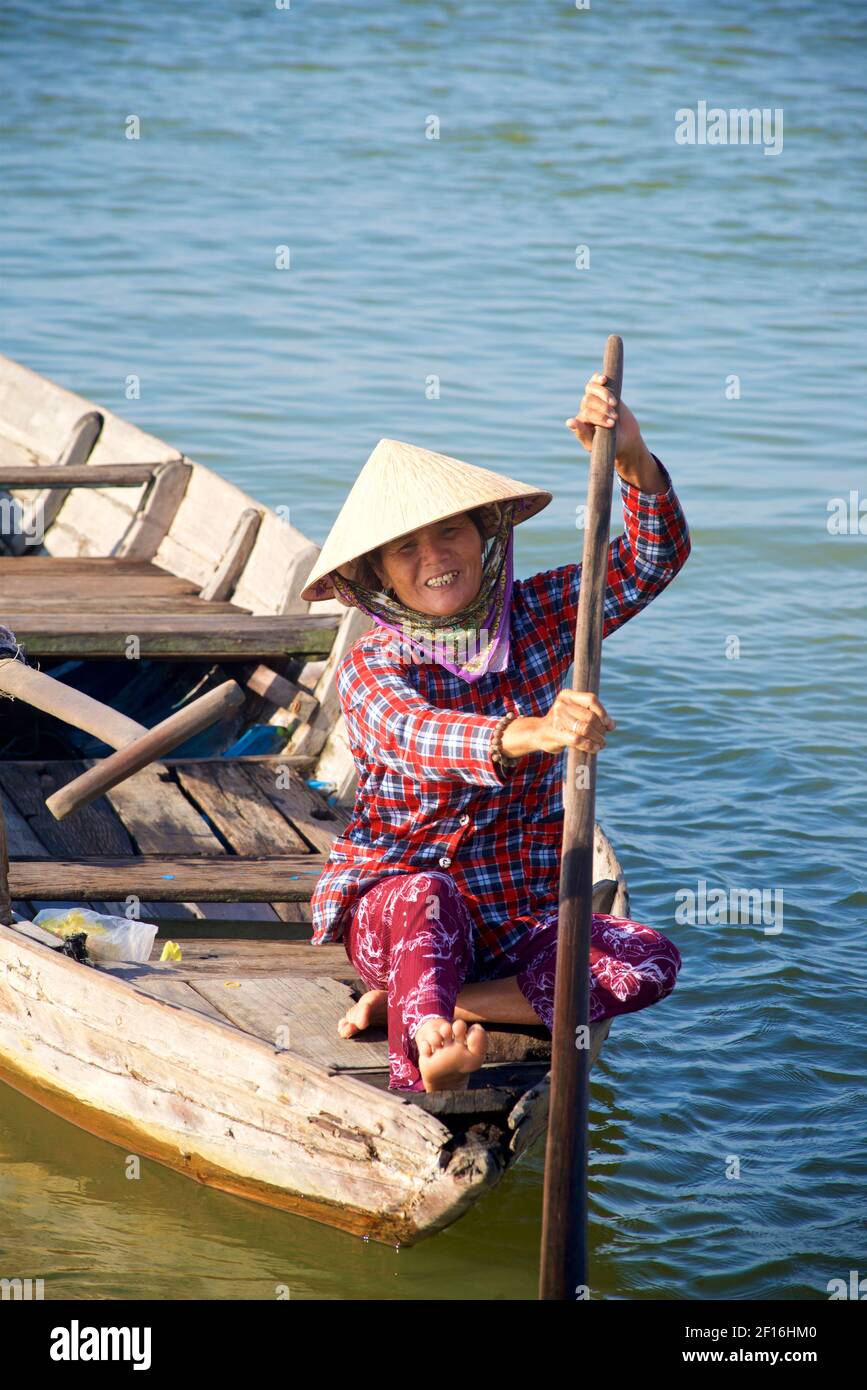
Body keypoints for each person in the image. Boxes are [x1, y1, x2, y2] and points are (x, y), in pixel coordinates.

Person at [300, 370, 691, 1093]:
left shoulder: (538, 613)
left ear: (483, 536)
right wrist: (535, 733)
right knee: (427, 896)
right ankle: (424, 1046)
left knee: (647, 959)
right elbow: (414, 735)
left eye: (449, 532)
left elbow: (647, 562)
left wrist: (631, 456)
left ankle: (430, 1006)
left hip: (515, 919)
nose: (434, 558)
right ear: (379, 575)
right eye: (406, 549)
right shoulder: (374, 662)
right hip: (399, 912)